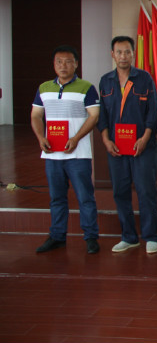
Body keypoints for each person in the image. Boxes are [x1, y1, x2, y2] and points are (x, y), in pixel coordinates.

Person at [31, 45, 101, 255]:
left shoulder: (86, 87)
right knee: (56, 198)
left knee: (85, 197)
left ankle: (91, 237)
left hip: (78, 154)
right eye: (59, 62)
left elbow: (94, 116)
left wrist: (76, 138)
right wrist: (41, 137)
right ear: (54, 64)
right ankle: (57, 236)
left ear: (76, 64)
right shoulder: (44, 88)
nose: (63, 66)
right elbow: (36, 115)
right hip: (52, 154)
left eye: (68, 61)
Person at [98, 36, 157, 254]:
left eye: (127, 52)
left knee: (146, 191)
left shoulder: (144, 78)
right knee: (120, 191)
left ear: (133, 54)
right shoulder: (105, 81)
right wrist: (106, 140)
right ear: (112, 54)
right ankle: (129, 236)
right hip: (116, 148)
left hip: (142, 147)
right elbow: (102, 115)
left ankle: (150, 236)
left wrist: (145, 138)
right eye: (119, 52)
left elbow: (153, 112)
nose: (123, 56)